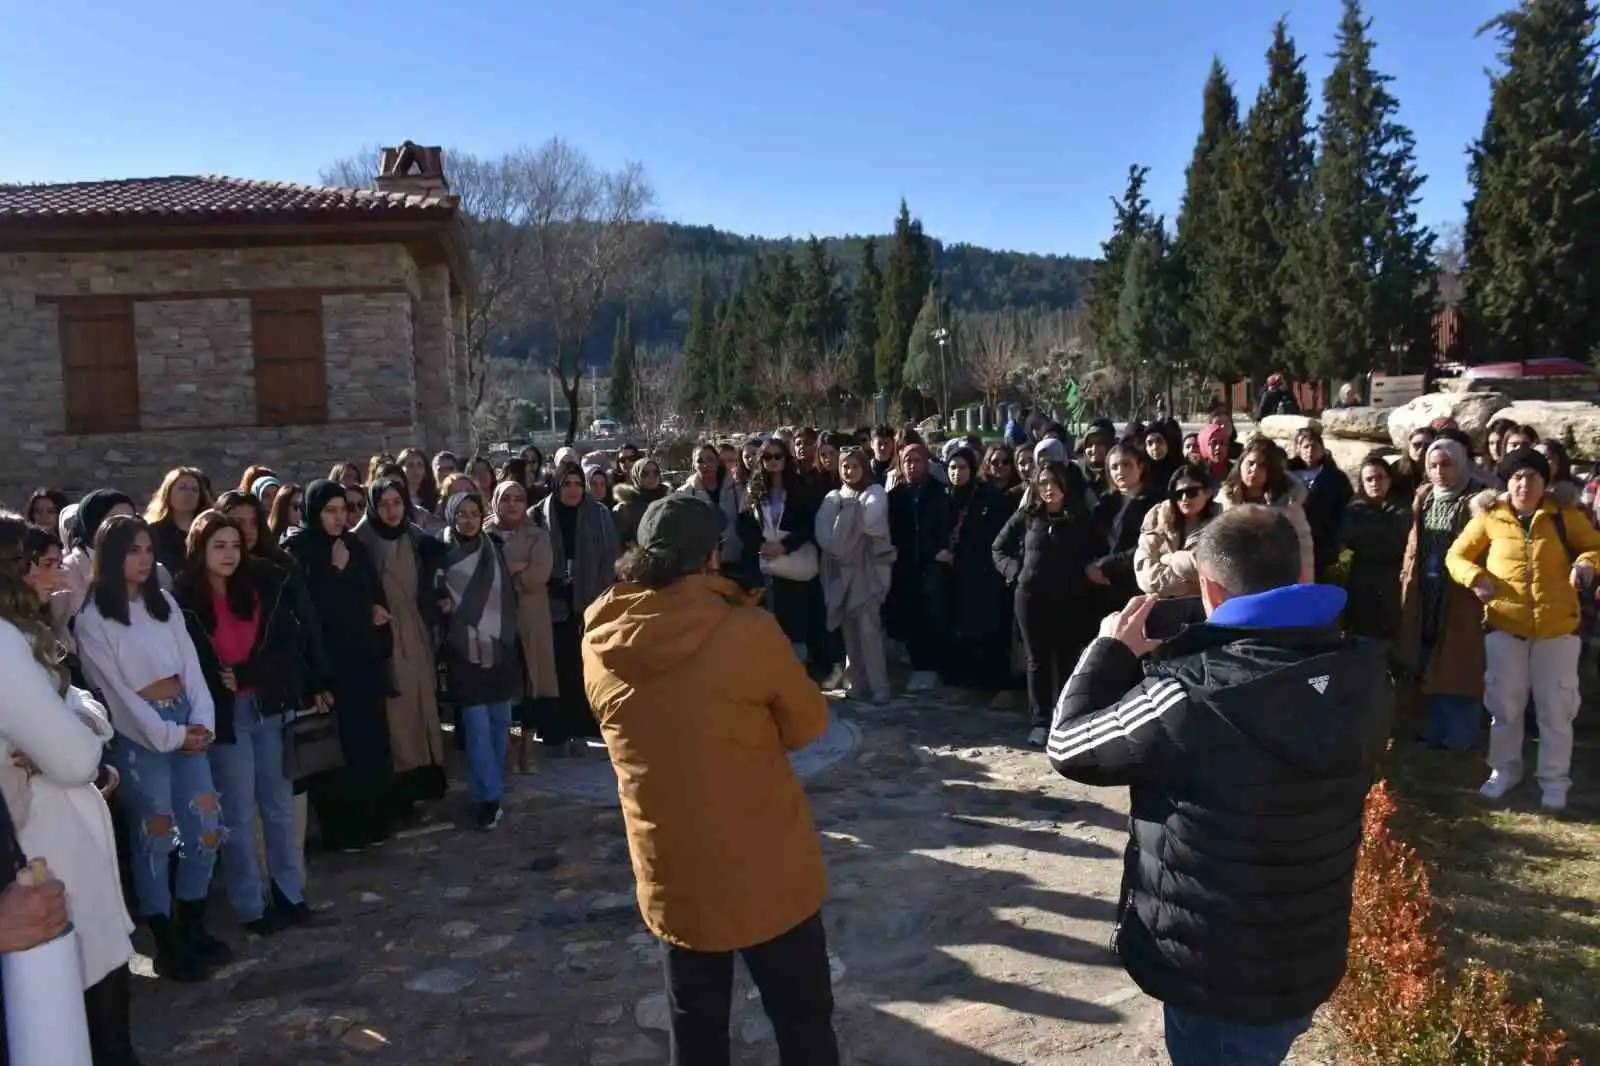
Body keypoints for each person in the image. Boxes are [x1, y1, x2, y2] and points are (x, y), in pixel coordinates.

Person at [1047, 505, 1391, 1066]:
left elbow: (1068, 746)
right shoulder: (1364, 675)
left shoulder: (1186, 697)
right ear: (1302, 576)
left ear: (1208, 588)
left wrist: (1110, 650)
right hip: (1303, 955)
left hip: (1212, 974)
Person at [583, 495, 839, 1066]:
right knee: (803, 1021)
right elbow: (808, 723)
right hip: (767, 865)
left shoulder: (601, 639)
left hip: (674, 872)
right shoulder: (747, 631)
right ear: (709, 560)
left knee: (695, 1029)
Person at [1447, 447, 1600, 810]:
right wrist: (1476, 577)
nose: (1524, 484)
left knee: (1556, 710)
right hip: (1505, 627)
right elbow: (1456, 556)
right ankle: (1505, 770)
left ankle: (1554, 780)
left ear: (1544, 482)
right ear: (1507, 482)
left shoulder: (1563, 514)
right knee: (1505, 706)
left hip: (1557, 630)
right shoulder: (1490, 516)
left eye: (1532, 477)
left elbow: (1596, 546)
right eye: (1517, 477)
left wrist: (1585, 564)